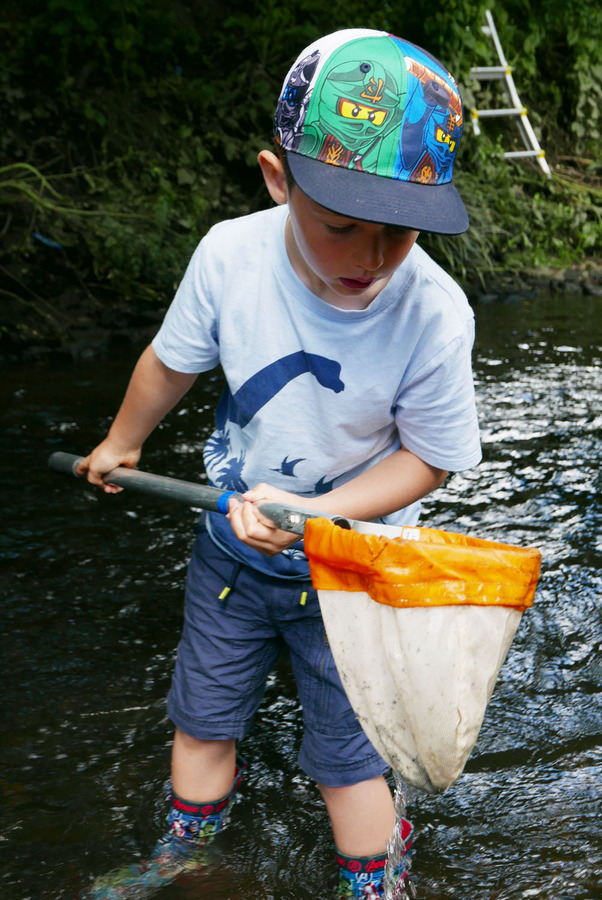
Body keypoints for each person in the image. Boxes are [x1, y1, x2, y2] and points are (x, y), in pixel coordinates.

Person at [79, 27, 481, 900]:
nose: (372, 260)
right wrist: (124, 441)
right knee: (202, 716)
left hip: (355, 572)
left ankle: (376, 880)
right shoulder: (231, 255)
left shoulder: (437, 314)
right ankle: (189, 851)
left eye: (401, 235)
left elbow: (433, 459)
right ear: (277, 180)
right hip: (231, 552)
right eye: (344, 227)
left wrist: (321, 511)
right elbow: (171, 361)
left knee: (348, 756)